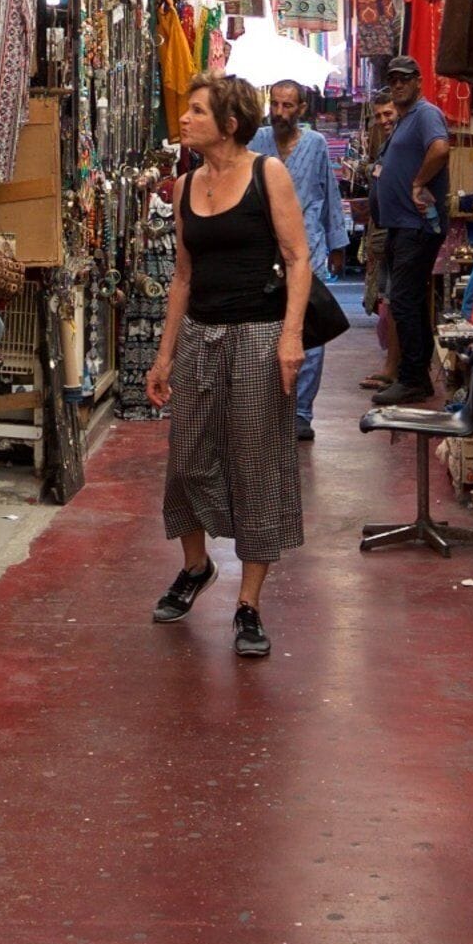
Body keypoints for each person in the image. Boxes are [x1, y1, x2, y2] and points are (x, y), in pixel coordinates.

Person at [145, 74, 313, 660]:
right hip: (199, 336)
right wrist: (163, 354)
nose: (185, 119)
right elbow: (183, 276)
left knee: (258, 461)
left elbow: (297, 258)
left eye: (196, 111)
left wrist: (291, 337)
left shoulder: (269, 175)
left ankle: (249, 605)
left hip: (258, 336)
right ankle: (196, 568)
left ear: (229, 124)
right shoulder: (185, 183)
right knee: (187, 457)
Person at [249, 78, 351, 441]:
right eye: (275, 104)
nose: (279, 112)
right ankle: (270, 405)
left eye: (287, 105)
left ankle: (302, 412)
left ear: (301, 109)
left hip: (308, 248)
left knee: (309, 329)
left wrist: (338, 245)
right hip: (265, 247)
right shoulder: (257, 141)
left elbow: (330, 191)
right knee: (268, 328)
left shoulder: (317, 144)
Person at [369, 59, 450, 403]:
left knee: (403, 301)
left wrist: (418, 181)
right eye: (393, 80)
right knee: (409, 303)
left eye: (405, 79)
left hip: (417, 225)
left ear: (418, 82)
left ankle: (413, 378)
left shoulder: (425, 114)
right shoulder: (403, 120)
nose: (399, 85)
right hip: (400, 226)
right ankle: (417, 376)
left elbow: (441, 148)